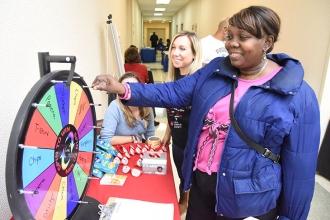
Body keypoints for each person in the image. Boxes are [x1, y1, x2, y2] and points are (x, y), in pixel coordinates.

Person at [92, 6, 320, 220]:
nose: (232, 44)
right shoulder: (216, 70)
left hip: (248, 199)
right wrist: (123, 88)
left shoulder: (297, 94)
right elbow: (174, 92)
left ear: (267, 42)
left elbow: (300, 170)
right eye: (230, 36)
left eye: (243, 37)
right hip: (202, 186)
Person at [161, 31, 202, 214]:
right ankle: (182, 202)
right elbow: (173, 114)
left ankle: (188, 207)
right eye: (173, 48)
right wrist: (167, 135)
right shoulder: (172, 80)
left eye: (182, 48)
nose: (175, 53)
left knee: (193, 184)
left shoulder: (199, 83)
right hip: (177, 143)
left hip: (195, 147)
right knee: (182, 179)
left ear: (194, 54)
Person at [99, 72, 155, 145]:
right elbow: (106, 139)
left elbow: (150, 136)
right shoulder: (115, 106)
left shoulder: (147, 107)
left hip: (136, 150)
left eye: (135, 87)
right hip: (116, 151)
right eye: (125, 88)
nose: (130, 92)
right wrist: (133, 138)